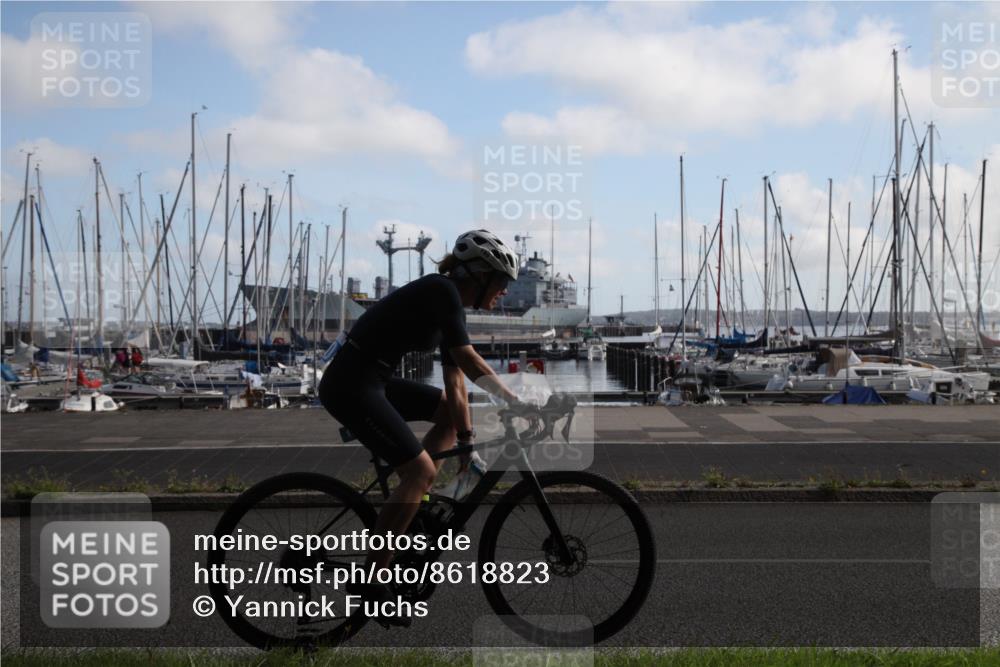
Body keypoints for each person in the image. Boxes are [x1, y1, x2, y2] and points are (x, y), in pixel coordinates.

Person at [318, 229, 522, 625]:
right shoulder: (441, 290)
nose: (504, 292)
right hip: (351, 384)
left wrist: (466, 442)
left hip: (372, 379)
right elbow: (468, 359)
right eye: (501, 282)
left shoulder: (450, 306)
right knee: (421, 470)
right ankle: (373, 580)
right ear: (478, 274)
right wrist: (515, 401)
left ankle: (415, 502)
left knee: (445, 415)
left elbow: (456, 382)